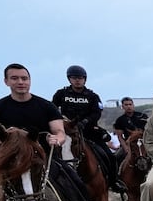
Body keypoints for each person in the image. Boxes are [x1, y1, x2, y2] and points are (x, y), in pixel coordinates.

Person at [0, 63, 106, 201]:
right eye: (15, 78)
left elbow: (59, 131)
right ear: (6, 81)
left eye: (24, 78)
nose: (20, 82)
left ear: (29, 81)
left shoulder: (45, 105)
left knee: (73, 181)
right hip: (9, 161)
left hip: (41, 160)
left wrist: (57, 139)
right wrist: (15, 139)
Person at [52, 65, 126, 194]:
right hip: (67, 133)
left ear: (84, 79)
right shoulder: (61, 94)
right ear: (69, 79)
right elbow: (52, 109)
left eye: (80, 78)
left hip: (88, 132)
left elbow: (97, 112)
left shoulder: (92, 96)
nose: (77, 81)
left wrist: (85, 122)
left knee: (109, 155)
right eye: (74, 78)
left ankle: (114, 182)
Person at [112, 96, 149, 165]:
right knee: (116, 157)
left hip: (143, 142)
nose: (128, 106)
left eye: (130, 104)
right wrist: (125, 148)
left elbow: (149, 131)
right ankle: (117, 174)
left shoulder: (142, 116)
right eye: (126, 105)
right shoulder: (120, 120)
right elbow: (120, 136)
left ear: (133, 105)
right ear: (122, 106)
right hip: (129, 143)